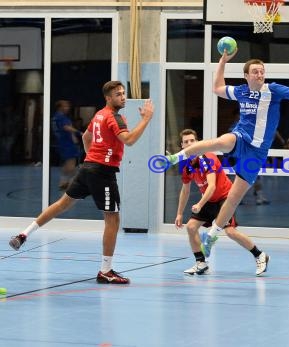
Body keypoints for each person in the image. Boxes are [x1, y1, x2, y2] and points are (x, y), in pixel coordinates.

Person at [167, 49, 289, 256]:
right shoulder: (241, 91)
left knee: (233, 198)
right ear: (246, 76)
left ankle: (211, 235)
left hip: (257, 153)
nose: (259, 74)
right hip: (241, 138)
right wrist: (222, 61)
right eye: (255, 71)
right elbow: (217, 87)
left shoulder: (273, 90)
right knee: (221, 141)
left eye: (262, 71)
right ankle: (176, 157)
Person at [8, 81, 154, 285]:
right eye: (118, 94)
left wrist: (90, 157)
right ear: (108, 98)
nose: (123, 97)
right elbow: (128, 140)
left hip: (87, 168)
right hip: (102, 172)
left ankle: (24, 234)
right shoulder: (114, 117)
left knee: (62, 205)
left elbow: (87, 136)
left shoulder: (99, 115)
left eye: (123, 93)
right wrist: (146, 119)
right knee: (112, 219)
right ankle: (105, 271)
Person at [174, 129, 269, 276]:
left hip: (224, 198)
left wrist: (199, 204)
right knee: (191, 227)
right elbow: (185, 190)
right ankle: (201, 263)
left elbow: (211, 186)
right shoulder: (187, 167)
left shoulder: (208, 157)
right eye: (186, 142)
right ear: (182, 146)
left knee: (230, 232)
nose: (190, 143)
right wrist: (179, 213)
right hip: (209, 199)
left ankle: (259, 255)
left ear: (197, 143)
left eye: (192, 141)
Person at [51, 100, 82, 190]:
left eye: (68, 106)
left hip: (63, 142)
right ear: (60, 107)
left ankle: (63, 181)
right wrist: (79, 133)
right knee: (72, 163)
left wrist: (74, 139)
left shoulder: (56, 117)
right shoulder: (60, 117)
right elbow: (66, 127)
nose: (67, 108)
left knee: (68, 163)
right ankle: (72, 183)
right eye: (65, 106)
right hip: (66, 143)